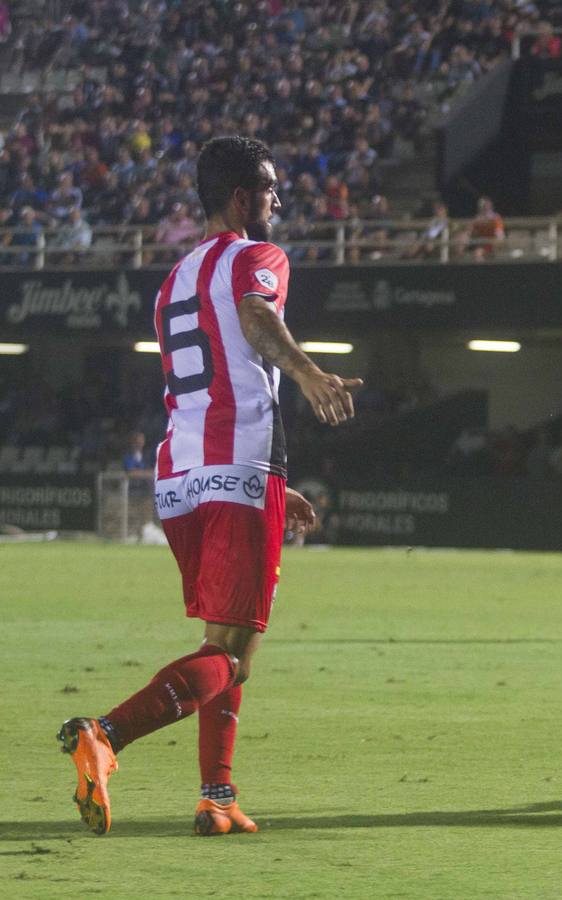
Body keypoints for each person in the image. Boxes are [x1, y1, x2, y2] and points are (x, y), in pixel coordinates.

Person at [58, 136, 364, 836]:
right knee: (228, 652)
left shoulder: (174, 279)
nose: (277, 200)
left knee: (227, 646)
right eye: (269, 188)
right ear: (239, 197)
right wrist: (312, 374)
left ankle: (217, 796)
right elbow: (257, 319)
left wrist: (273, 491)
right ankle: (104, 734)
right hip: (242, 462)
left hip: (182, 477)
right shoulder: (258, 257)